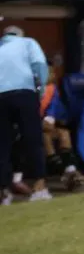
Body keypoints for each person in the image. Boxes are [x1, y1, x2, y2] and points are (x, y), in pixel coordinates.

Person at [0, 25, 52, 205]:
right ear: (19, 34)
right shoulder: (28, 42)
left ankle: (3, 192)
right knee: (33, 139)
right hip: (23, 93)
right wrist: (41, 88)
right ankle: (39, 187)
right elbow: (40, 66)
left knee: (2, 144)